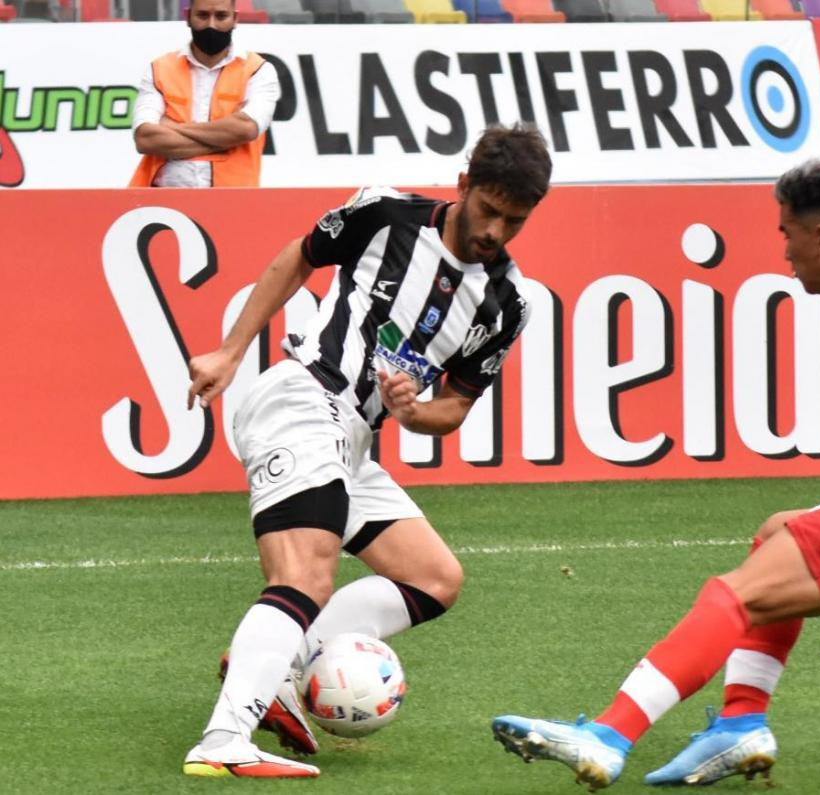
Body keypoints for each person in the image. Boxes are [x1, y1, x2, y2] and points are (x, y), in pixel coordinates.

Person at [491, 157, 820, 791]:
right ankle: (740, 723)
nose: (785, 253)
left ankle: (609, 736)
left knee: (734, 594)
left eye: (786, 234)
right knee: (779, 534)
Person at [181, 123, 553, 778]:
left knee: (435, 578)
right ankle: (223, 737)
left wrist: (414, 410)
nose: (496, 230)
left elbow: (455, 409)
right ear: (463, 184)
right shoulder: (385, 212)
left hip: (354, 438)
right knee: (305, 573)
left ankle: (282, 663)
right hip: (304, 397)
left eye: (514, 220)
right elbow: (299, 257)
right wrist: (231, 349)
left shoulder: (506, 302)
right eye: (489, 210)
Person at [129, 0, 278, 188]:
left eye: (221, 16)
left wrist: (173, 127)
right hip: (164, 202)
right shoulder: (159, 69)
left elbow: (246, 128)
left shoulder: (258, 70)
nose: (211, 25)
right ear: (188, 16)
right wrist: (227, 140)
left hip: (233, 199)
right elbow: (146, 139)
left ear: (235, 19)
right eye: (203, 15)